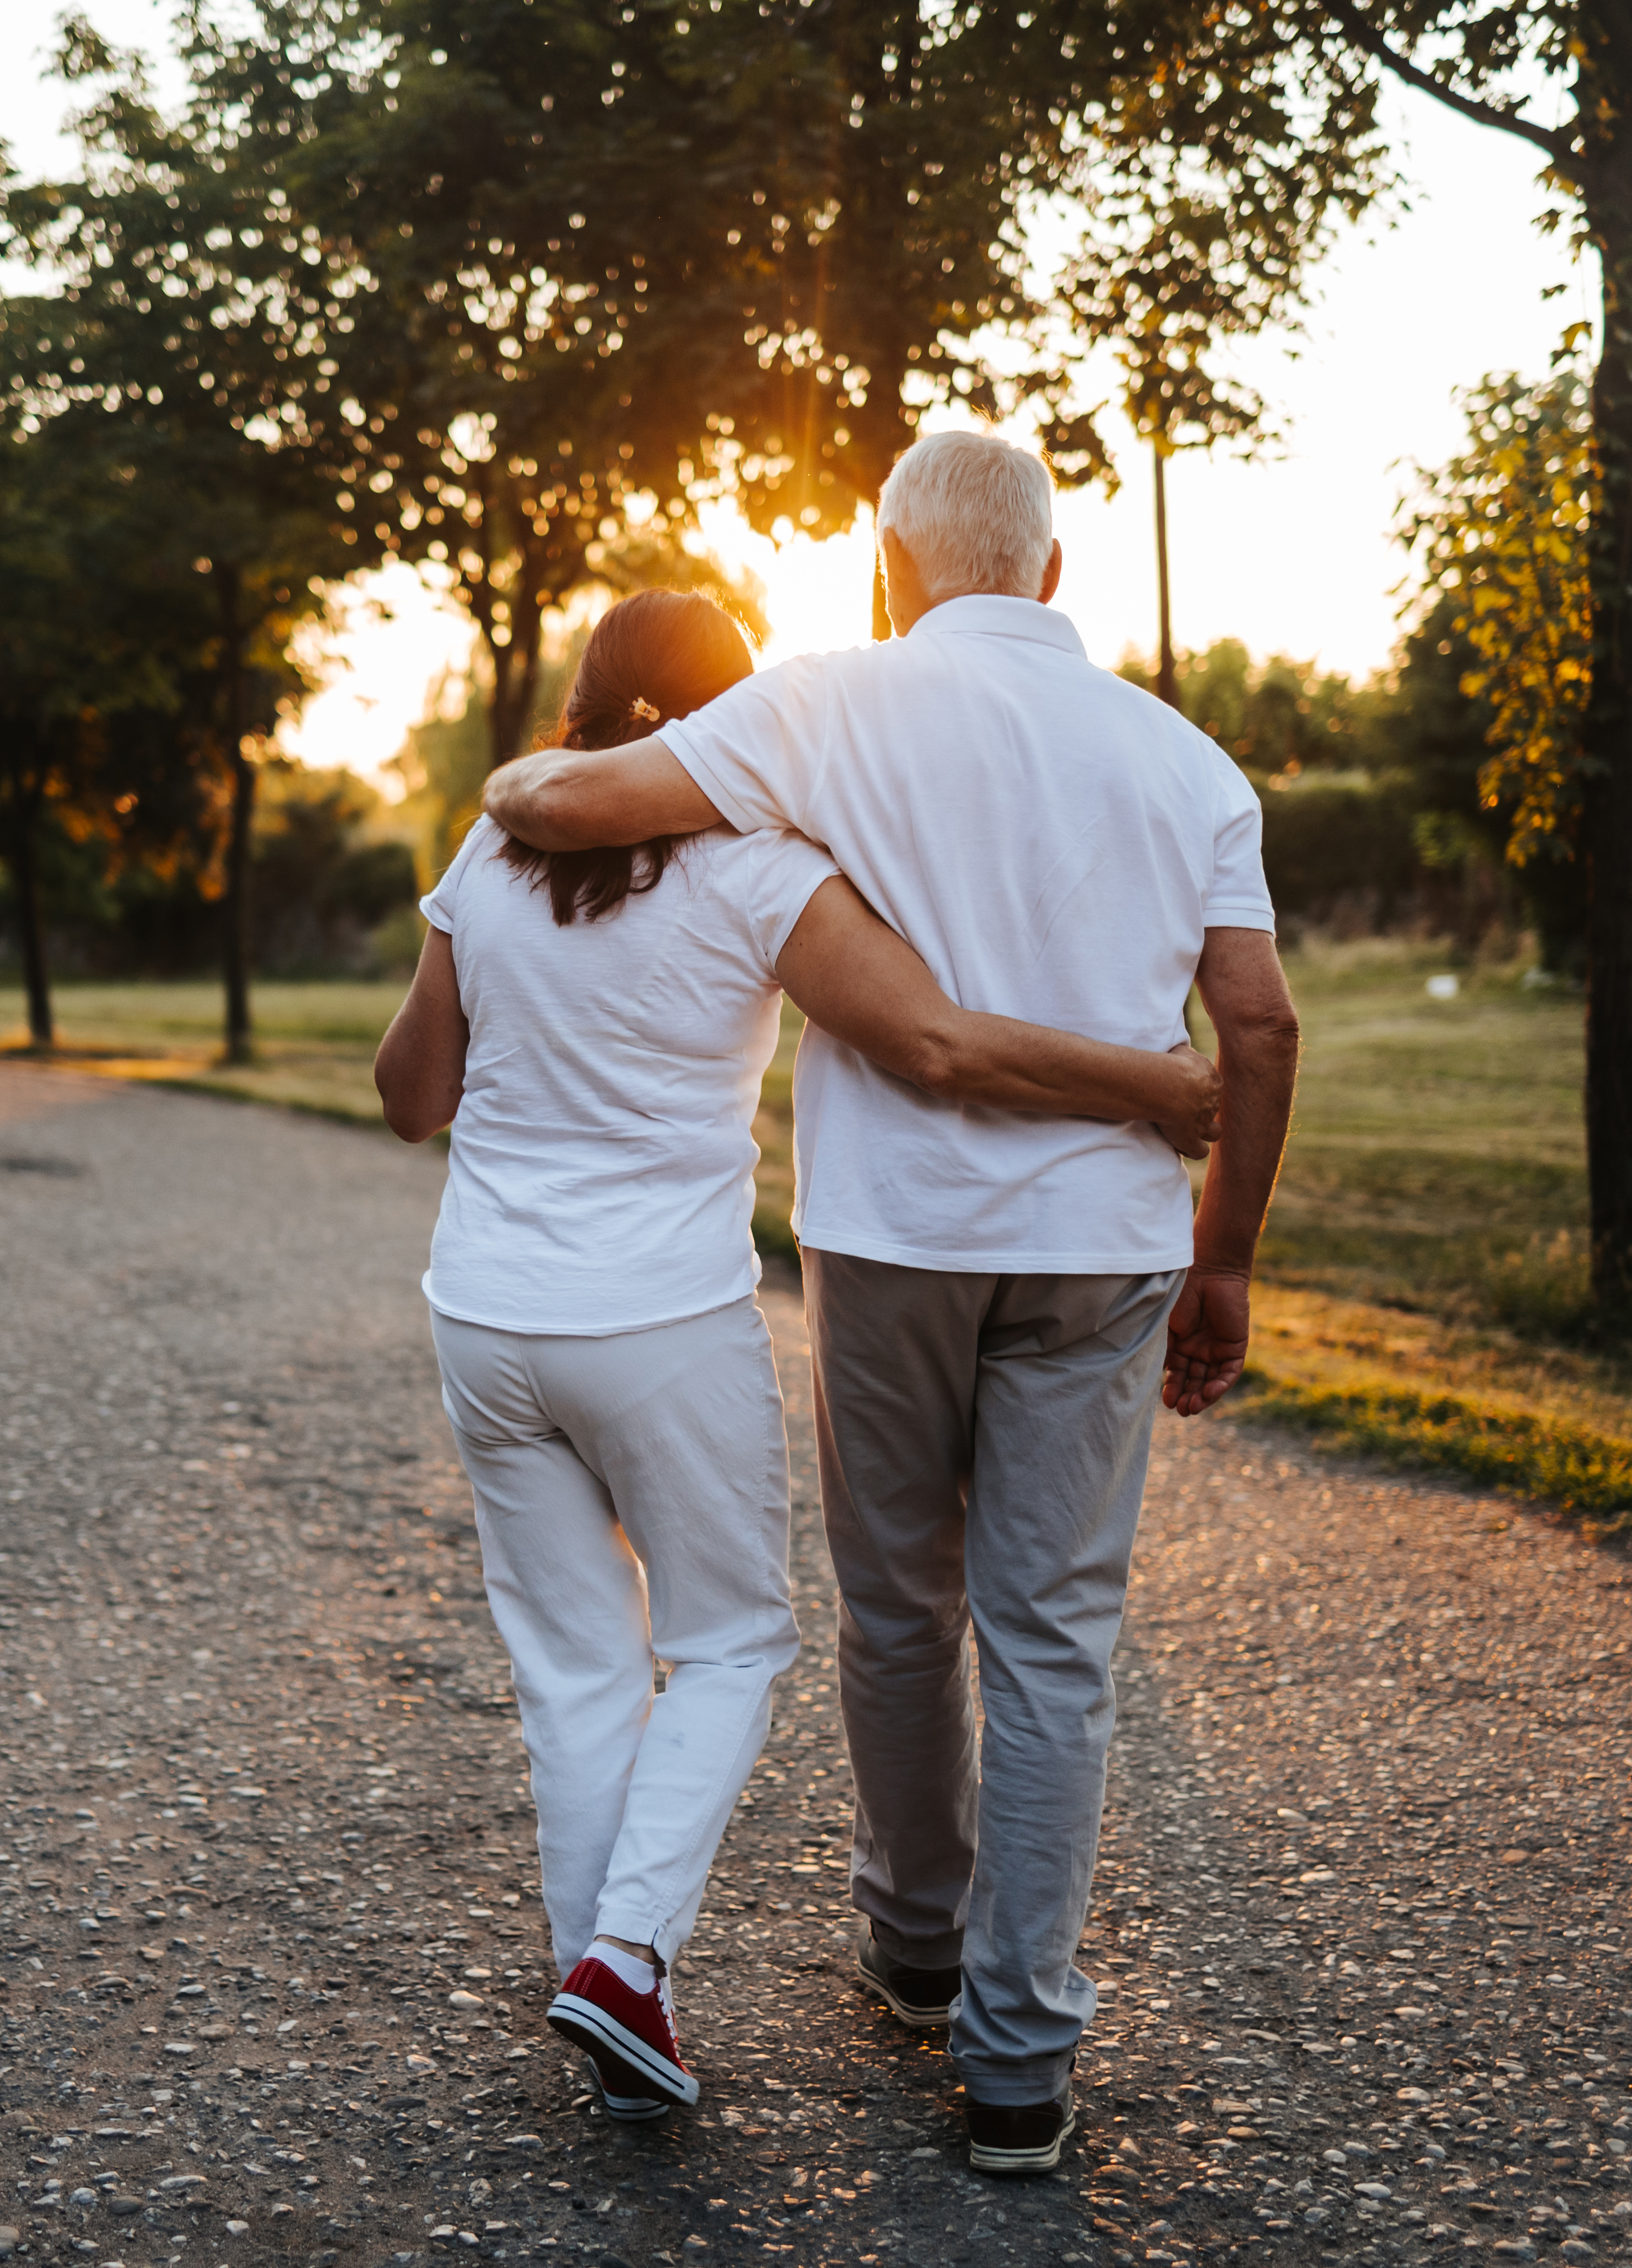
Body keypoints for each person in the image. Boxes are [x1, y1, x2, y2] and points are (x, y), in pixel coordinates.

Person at [481, 432, 1301, 2173]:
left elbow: (574, 804)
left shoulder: (825, 702)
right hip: (1108, 1248)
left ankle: (914, 1939)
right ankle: (1017, 2063)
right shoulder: (1191, 763)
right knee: (1057, 1635)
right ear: (1058, 575)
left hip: (895, 1239)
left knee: (897, 1606)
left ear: (889, 574)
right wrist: (1224, 1253)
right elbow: (1261, 1028)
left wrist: (516, 792)